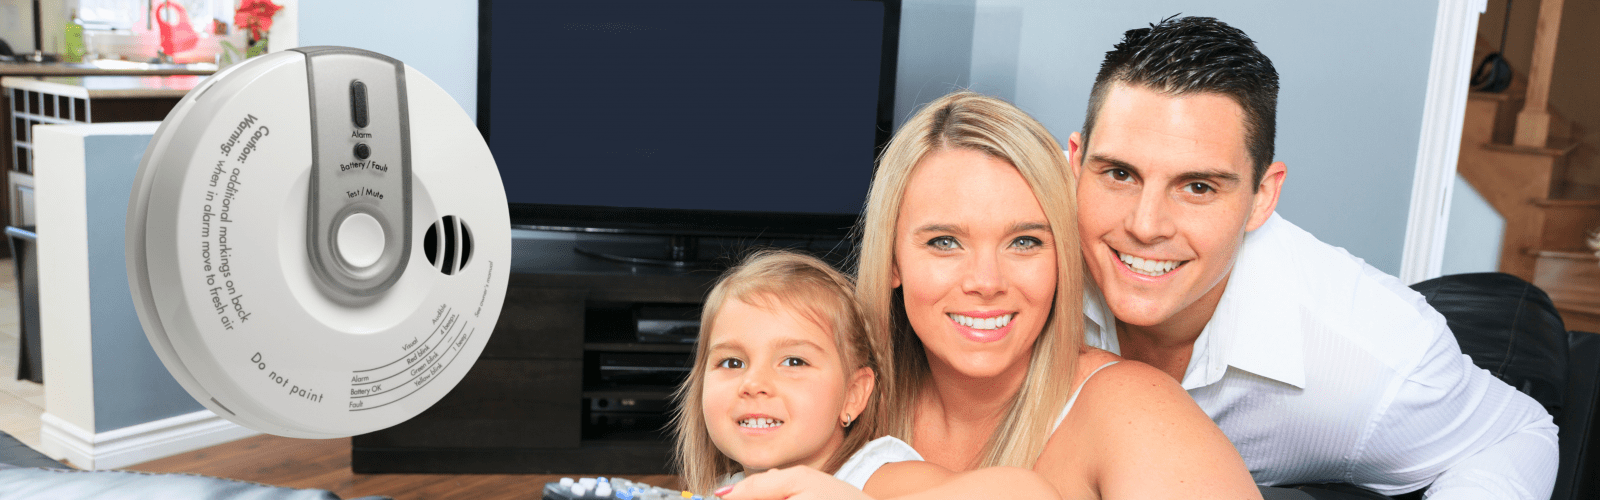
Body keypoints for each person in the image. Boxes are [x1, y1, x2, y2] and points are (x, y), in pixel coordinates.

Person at [1066, 16, 1559, 499]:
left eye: (1198, 186)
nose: (1146, 226)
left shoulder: (1373, 358)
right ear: (1076, 163)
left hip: (1491, 330)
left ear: (1262, 196)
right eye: (1119, 174)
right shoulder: (1022, 274)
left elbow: (1518, 434)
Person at [718, 92, 1261, 500]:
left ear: (1061, 260)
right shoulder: (832, 398)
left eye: (1024, 241)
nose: (985, 280)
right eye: (944, 242)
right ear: (891, 262)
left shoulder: (1132, 411)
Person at [673, 250, 1062, 499]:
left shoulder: (872, 478)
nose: (753, 384)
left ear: (854, 396)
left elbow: (1028, 492)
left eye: (794, 362)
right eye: (731, 363)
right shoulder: (725, 492)